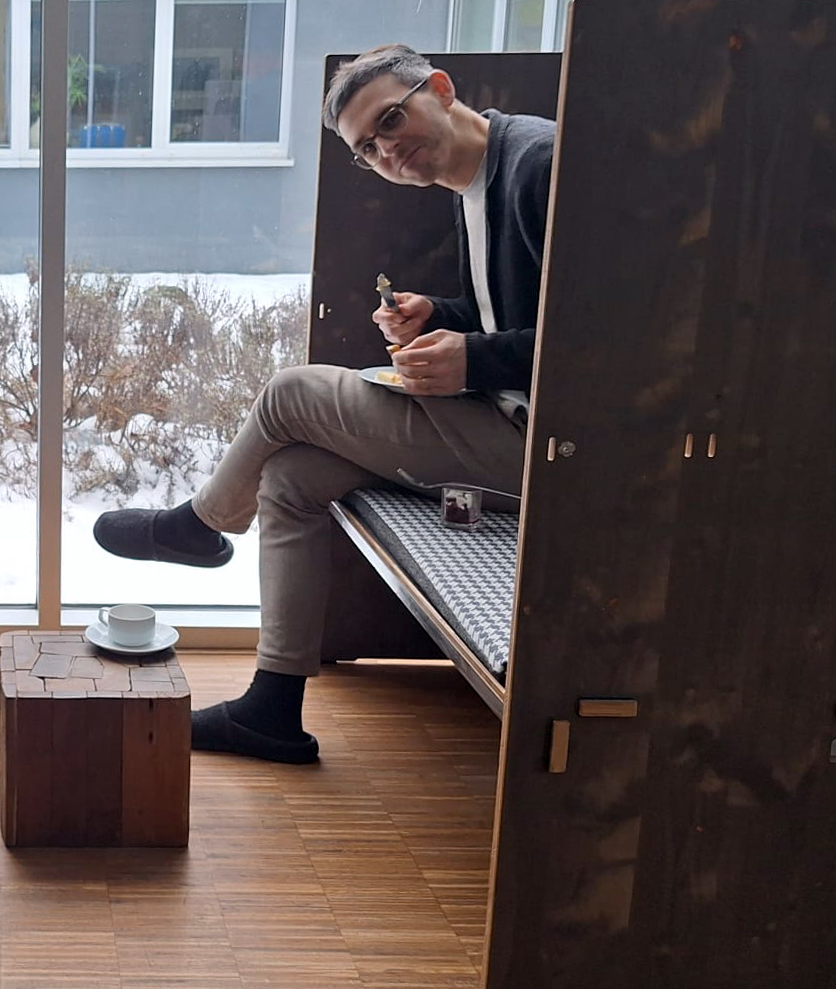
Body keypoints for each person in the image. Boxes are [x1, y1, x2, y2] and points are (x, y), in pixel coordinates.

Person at [92, 45, 551, 764]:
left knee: (292, 393)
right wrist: (445, 316)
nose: (388, 149)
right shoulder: (474, 181)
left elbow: (613, 339)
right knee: (295, 475)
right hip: (506, 424)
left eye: (392, 120)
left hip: (552, 448)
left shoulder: (537, 166)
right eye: (368, 148)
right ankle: (271, 710)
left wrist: (474, 359)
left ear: (441, 88)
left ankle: (201, 524)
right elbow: (522, 315)